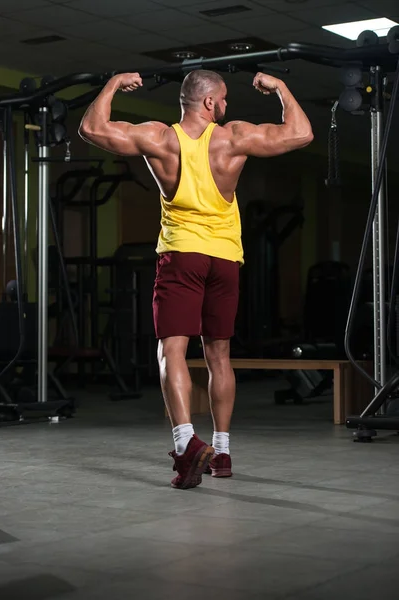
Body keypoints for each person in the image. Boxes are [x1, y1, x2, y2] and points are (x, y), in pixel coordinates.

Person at [79, 68, 313, 490]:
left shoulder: (159, 138)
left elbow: (92, 128)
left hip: (181, 255)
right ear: (208, 103)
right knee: (218, 355)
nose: (226, 107)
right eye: (222, 100)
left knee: (171, 351)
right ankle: (221, 452)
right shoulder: (232, 137)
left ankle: (186, 444)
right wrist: (281, 87)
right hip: (225, 259)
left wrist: (112, 84)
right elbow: (300, 134)